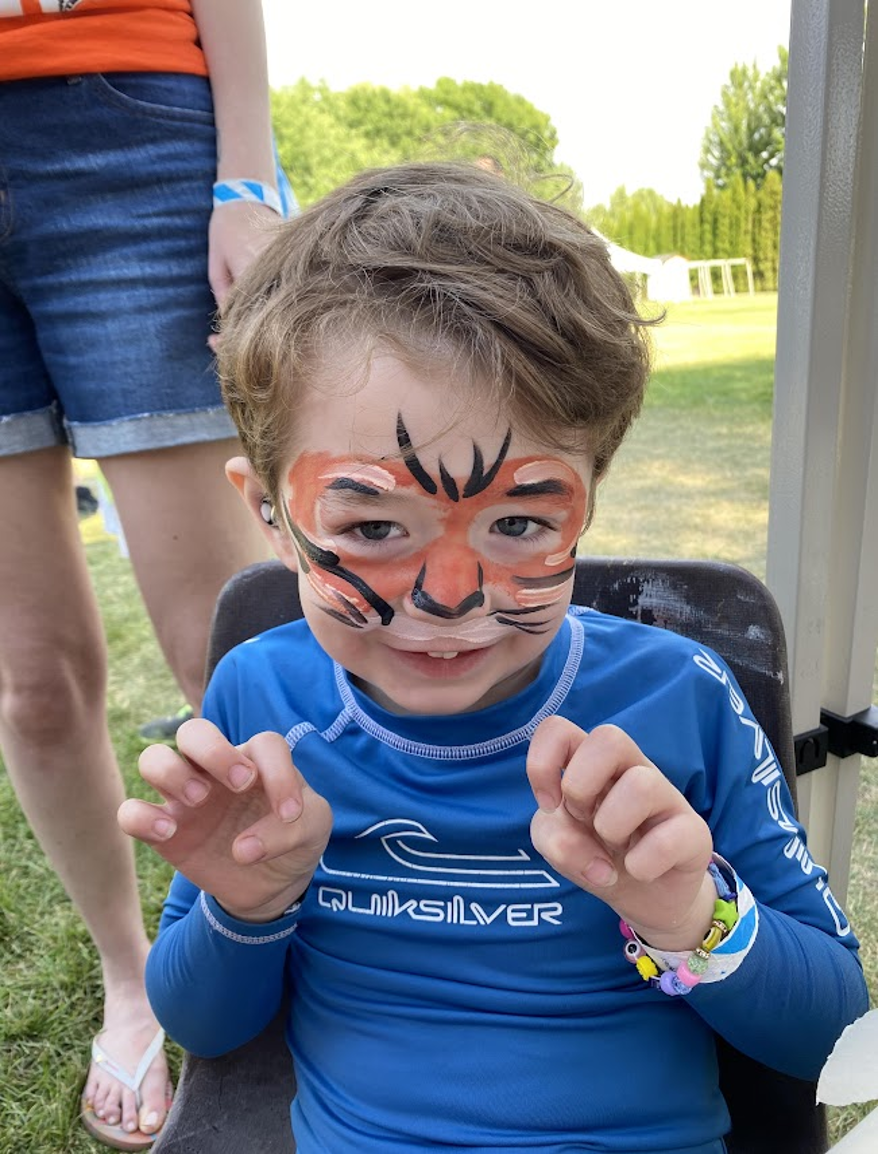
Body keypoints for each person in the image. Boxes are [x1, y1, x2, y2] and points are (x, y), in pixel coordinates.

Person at [118, 163, 868, 1154]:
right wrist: (245, 902)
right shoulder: (261, 697)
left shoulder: (675, 699)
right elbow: (208, 1029)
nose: (448, 593)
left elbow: (829, 1033)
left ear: (585, 501)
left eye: (517, 519)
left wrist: (689, 915)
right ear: (268, 513)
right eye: (373, 523)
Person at [0, 1, 288, 1148]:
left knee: (232, 650)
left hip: (126, 128)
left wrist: (243, 179)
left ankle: (319, 949)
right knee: (29, 677)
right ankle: (135, 982)